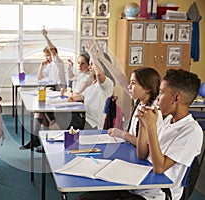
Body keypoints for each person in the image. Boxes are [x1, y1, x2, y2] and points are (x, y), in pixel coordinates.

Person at [76, 69, 203, 200]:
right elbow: (142, 154)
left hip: (156, 194)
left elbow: (159, 167)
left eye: (161, 93)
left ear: (176, 98)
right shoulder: (168, 122)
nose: (158, 97)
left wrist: (151, 127)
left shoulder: (192, 131)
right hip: (140, 186)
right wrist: (143, 125)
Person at [108, 67, 162, 146]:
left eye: (133, 83)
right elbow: (120, 79)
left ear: (147, 88)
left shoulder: (152, 111)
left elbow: (145, 146)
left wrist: (123, 134)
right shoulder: (139, 102)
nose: (129, 87)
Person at [68, 41, 114, 130]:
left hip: (93, 124)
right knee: (54, 116)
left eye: (92, 64)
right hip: (85, 119)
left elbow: (100, 74)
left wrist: (91, 53)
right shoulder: (93, 85)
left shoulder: (107, 84)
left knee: (60, 119)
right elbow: (80, 96)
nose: (89, 67)